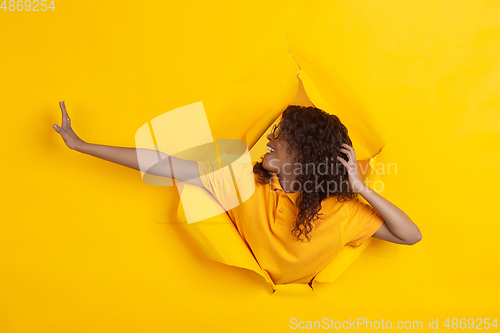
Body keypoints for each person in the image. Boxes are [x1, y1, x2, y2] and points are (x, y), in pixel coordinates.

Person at [53, 75, 421, 286]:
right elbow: (161, 163)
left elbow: (410, 235)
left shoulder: (342, 212)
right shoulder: (241, 179)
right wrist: (84, 146)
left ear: (304, 154)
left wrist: (360, 188)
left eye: (281, 136)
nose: (271, 139)